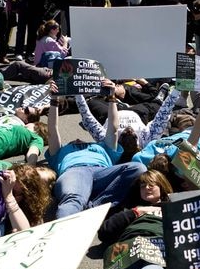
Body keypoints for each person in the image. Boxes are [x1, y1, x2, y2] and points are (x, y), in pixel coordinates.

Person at [46, 82, 146, 219]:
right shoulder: (60, 151)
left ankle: (95, 206)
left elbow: (113, 128)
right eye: (73, 142)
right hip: (74, 172)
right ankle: (64, 234)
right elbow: (52, 130)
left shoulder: (103, 147)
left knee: (139, 168)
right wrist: (54, 101)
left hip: (103, 173)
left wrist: (112, 97)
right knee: (74, 201)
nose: (77, 139)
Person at [97, 169, 174, 269]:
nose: (147, 188)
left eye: (152, 184)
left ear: (162, 187)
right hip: (125, 252)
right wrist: (137, 211)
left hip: (157, 249)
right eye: (143, 186)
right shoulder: (131, 211)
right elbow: (104, 232)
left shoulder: (173, 208)